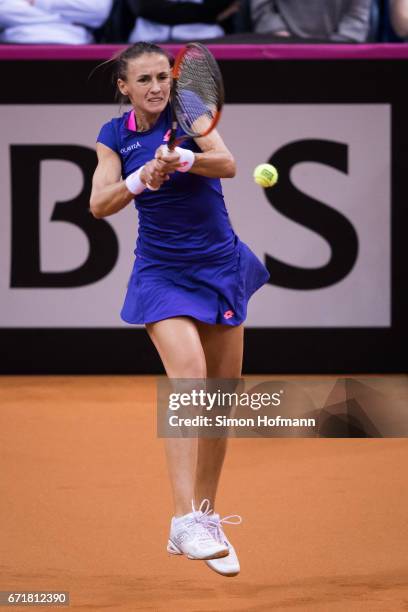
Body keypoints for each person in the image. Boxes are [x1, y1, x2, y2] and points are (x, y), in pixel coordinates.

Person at [90, 42, 270, 577]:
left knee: (219, 400)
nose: (155, 87)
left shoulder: (188, 112)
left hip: (219, 266)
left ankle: (207, 518)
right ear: (124, 87)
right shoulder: (113, 136)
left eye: (161, 78)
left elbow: (230, 163)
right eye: (142, 80)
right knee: (188, 378)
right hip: (162, 273)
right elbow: (99, 204)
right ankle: (182, 519)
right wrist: (141, 175)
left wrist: (185, 158)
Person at [250, 0, 372, 42]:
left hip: (341, 52)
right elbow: (263, 9)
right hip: (283, 49)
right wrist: (282, 40)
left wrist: (334, 51)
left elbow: (356, 16)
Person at [0, 0, 112, 44]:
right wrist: (70, 15)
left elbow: (97, 12)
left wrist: (37, 2)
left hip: (75, 48)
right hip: (15, 46)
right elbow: (4, 12)